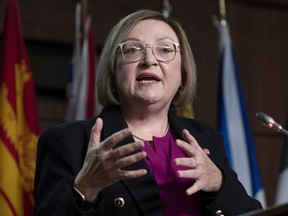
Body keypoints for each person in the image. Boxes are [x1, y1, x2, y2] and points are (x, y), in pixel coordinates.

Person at [34, 9, 263, 216]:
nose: (149, 60)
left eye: (165, 49)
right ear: (113, 73)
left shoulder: (206, 138)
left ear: (182, 74)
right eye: (133, 50)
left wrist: (219, 183)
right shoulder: (68, 141)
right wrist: (86, 187)